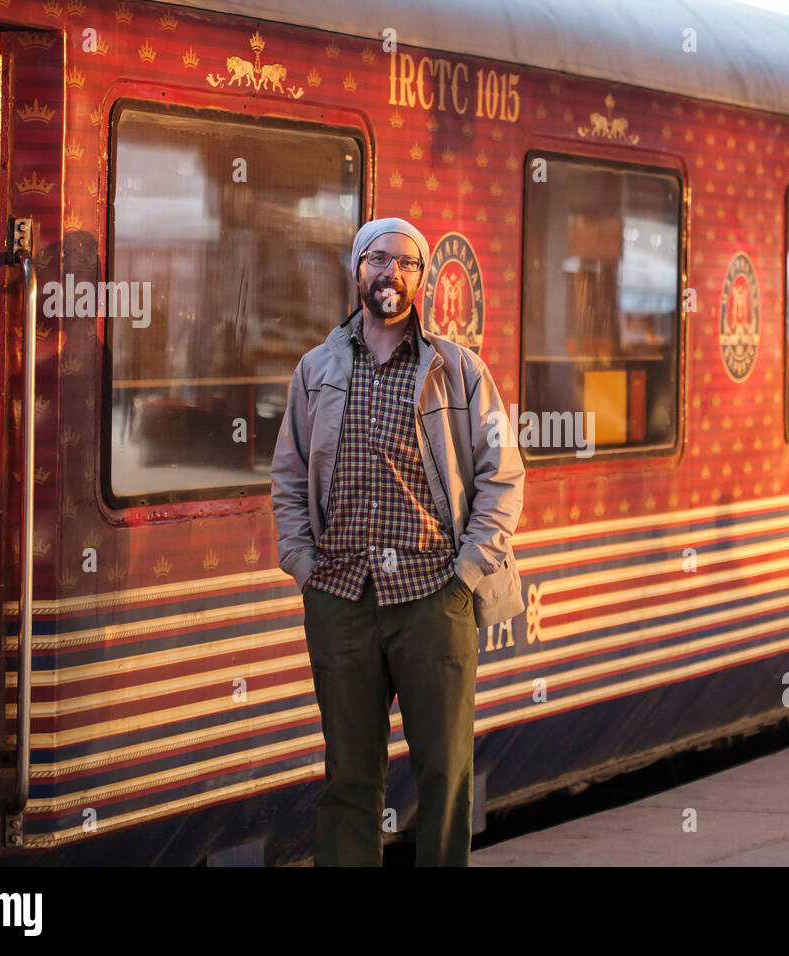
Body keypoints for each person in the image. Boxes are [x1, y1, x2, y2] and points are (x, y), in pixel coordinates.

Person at [270, 217, 524, 866]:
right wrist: (302, 563)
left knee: (445, 777)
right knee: (349, 780)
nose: (392, 273)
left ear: (422, 280)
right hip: (340, 596)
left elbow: (503, 476)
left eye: (408, 263)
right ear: (356, 270)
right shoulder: (316, 370)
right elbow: (289, 474)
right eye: (379, 259)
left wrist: (466, 574)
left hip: (432, 599)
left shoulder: (459, 370)